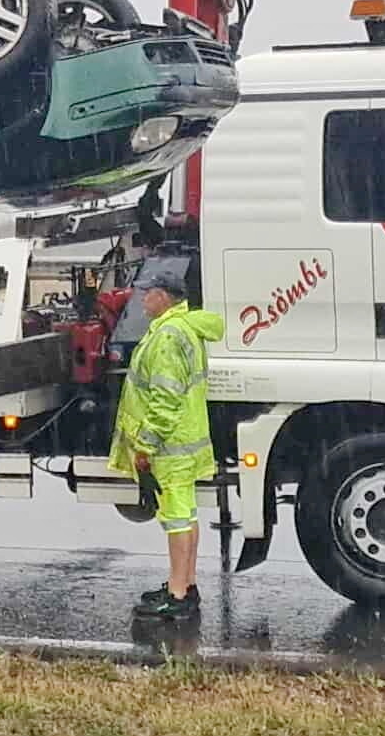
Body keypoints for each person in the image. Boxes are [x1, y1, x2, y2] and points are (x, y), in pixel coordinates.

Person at [109, 263, 223, 620]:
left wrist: (145, 444)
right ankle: (185, 583)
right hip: (184, 441)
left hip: (170, 446)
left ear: (163, 297)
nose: (142, 298)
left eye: (148, 293)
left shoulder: (168, 337)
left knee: (175, 519)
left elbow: (165, 399)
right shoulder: (182, 328)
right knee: (186, 515)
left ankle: (177, 595)